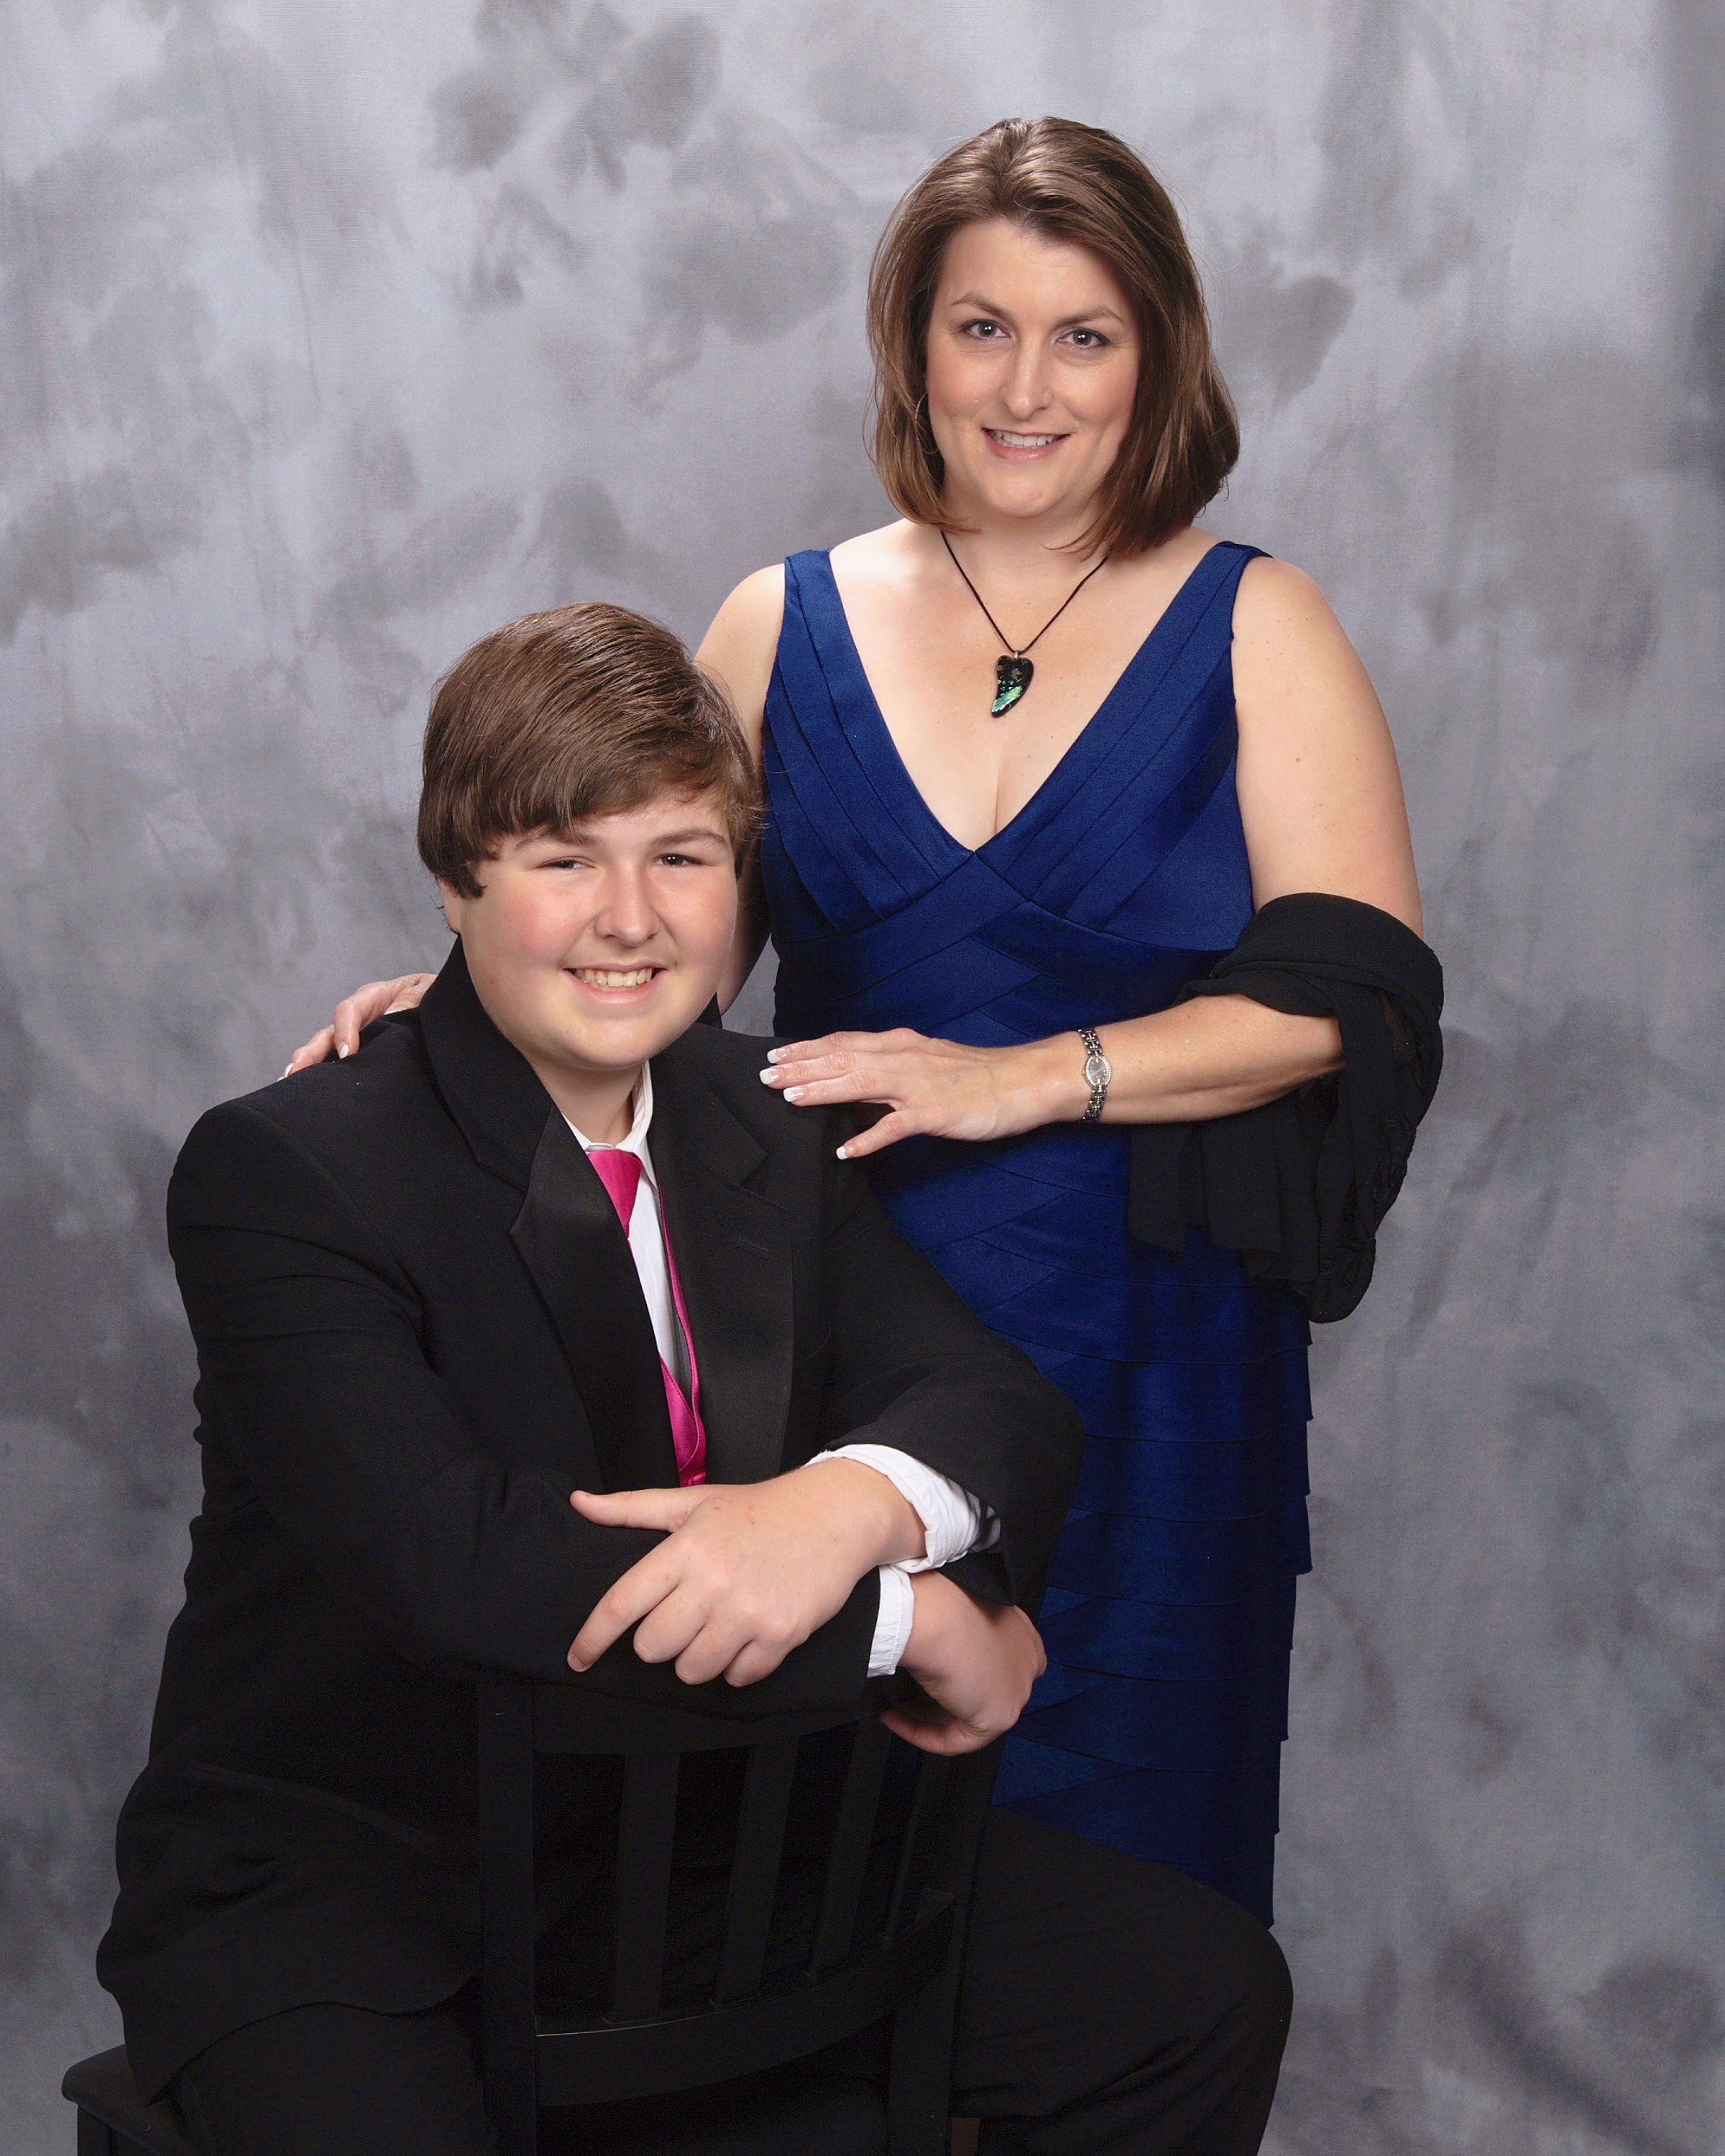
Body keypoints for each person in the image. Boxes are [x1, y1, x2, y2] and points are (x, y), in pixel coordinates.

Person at [291, 118, 1443, 1927]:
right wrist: (459, 1007)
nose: (1027, 389)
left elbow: (1347, 1005)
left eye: (1084, 336)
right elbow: (656, 928)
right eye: (983, 328)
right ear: (915, 347)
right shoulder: (782, 619)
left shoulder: (1257, 621)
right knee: (813, 1879)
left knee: (1123, 1886)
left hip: (1153, 1347)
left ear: (1158, 359)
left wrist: (1025, 1081)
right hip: (833, 1317)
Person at [105, 602, 1291, 2155]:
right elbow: (462, 1562)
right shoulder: (287, 1166)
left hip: (720, 1843)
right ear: (457, 878)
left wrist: (843, 1509)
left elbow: (994, 1404)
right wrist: (910, 1621)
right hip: (368, 1889)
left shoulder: (768, 1119)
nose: (630, 918)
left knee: (1197, 1993)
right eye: (564, 859)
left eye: (681, 856)